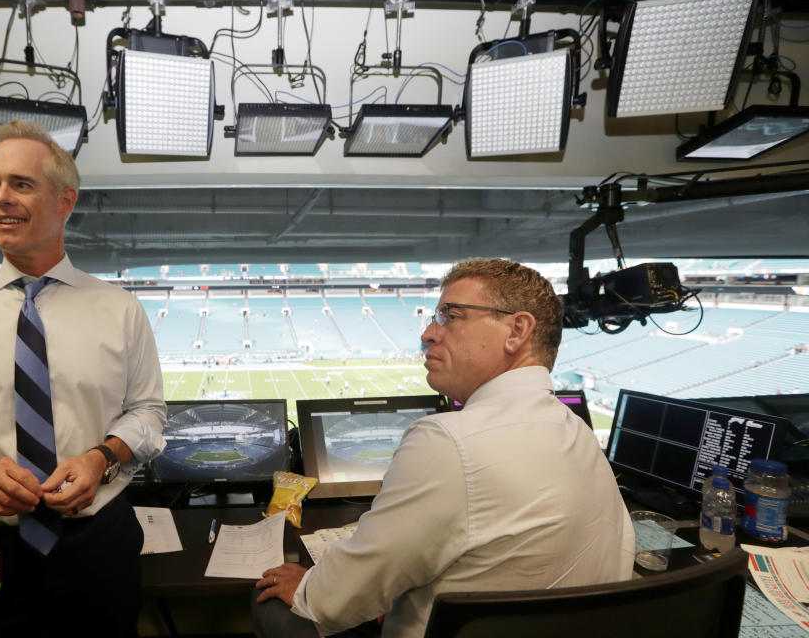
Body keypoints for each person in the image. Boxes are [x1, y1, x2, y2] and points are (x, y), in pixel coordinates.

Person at [253, 258, 634, 638]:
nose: (429, 333)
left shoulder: (448, 440)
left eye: (451, 315)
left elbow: (335, 599)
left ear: (517, 330)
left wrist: (308, 588)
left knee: (273, 605)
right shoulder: (580, 434)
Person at [0, 121, 167, 637]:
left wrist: (100, 458)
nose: (0, 199)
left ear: (66, 201)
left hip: (98, 544)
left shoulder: (120, 310)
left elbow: (148, 413)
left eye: (21, 184)